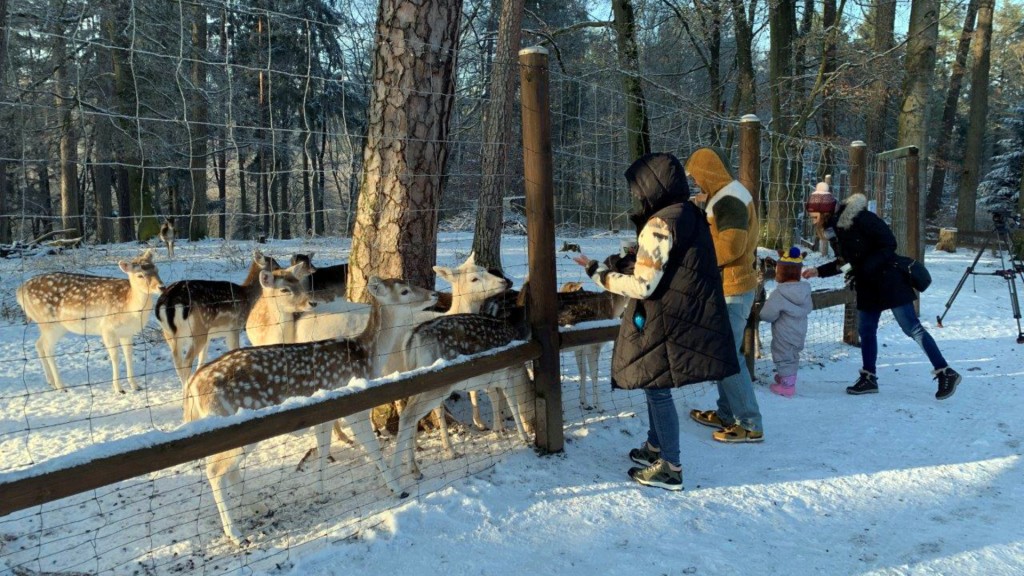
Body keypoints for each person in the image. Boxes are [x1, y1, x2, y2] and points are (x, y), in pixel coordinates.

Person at [572, 152, 738, 491]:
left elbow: (643, 284)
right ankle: (654, 446)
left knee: (658, 387)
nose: (637, 195)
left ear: (653, 186)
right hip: (684, 309)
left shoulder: (660, 224)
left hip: (665, 315)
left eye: (638, 188)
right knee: (653, 378)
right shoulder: (689, 213)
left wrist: (599, 274)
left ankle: (671, 467)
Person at [801, 184, 962, 399]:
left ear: (824, 212)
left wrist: (865, 267)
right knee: (866, 330)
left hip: (889, 280)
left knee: (912, 328)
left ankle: (946, 372)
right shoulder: (833, 229)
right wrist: (818, 271)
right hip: (867, 285)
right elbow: (846, 261)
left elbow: (889, 244)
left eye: (814, 216)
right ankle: (869, 378)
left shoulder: (861, 218)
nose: (813, 220)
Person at [683, 148, 765, 442]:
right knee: (723, 354)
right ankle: (727, 413)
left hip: (732, 287)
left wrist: (695, 257)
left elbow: (731, 246)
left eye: (696, 176)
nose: (696, 183)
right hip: (729, 286)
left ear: (708, 171)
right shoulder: (727, 194)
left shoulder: (728, 198)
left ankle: (750, 423)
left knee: (728, 356)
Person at [759, 247, 813, 398]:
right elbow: (809, 307)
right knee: (793, 355)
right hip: (800, 331)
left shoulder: (779, 293)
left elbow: (767, 314)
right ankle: (786, 377)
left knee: (783, 356)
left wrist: (762, 314)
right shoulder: (805, 291)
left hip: (784, 333)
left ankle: (787, 386)